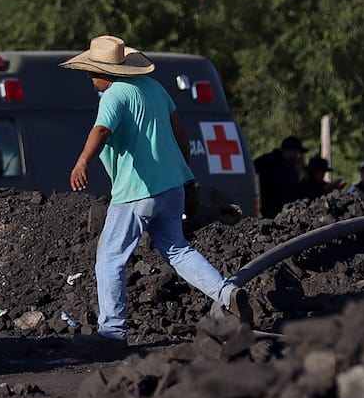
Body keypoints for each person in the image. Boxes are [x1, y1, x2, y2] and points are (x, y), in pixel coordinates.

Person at [62, 35, 252, 345]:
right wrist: (185, 174)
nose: (89, 77)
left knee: (110, 258)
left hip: (137, 191)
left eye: (91, 71)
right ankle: (227, 292)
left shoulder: (114, 96)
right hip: (171, 186)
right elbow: (180, 133)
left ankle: (112, 331)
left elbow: (100, 130)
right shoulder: (154, 88)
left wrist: (82, 162)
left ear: (104, 72)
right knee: (177, 249)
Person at [252, 136, 307, 218]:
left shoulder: (291, 166)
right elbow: (250, 171)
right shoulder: (268, 161)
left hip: (288, 213)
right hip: (271, 212)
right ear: (289, 151)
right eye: (296, 153)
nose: (297, 156)